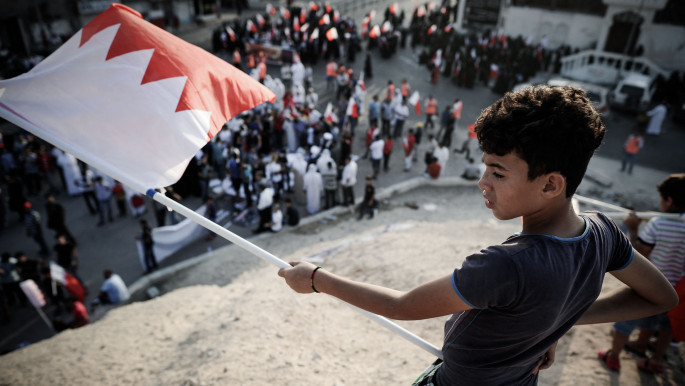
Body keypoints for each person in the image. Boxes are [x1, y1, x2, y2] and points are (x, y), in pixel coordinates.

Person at [277, 86, 678, 384]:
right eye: (486, 167)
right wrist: (555, 322)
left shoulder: (507, 264)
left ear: (552, 185)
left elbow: (400, 305)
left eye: (498, 172)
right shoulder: (605, 233)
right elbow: (662, 296)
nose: (483, 183)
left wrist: (315, 279)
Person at [598, 174, 685, 374]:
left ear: (669, 200)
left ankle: (613, 356)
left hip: (649, 285)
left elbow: (639, 255)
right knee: (663, 325)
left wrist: (633, 228)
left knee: (625, 320)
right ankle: (655, 361)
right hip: (676, 289)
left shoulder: (658, 224)